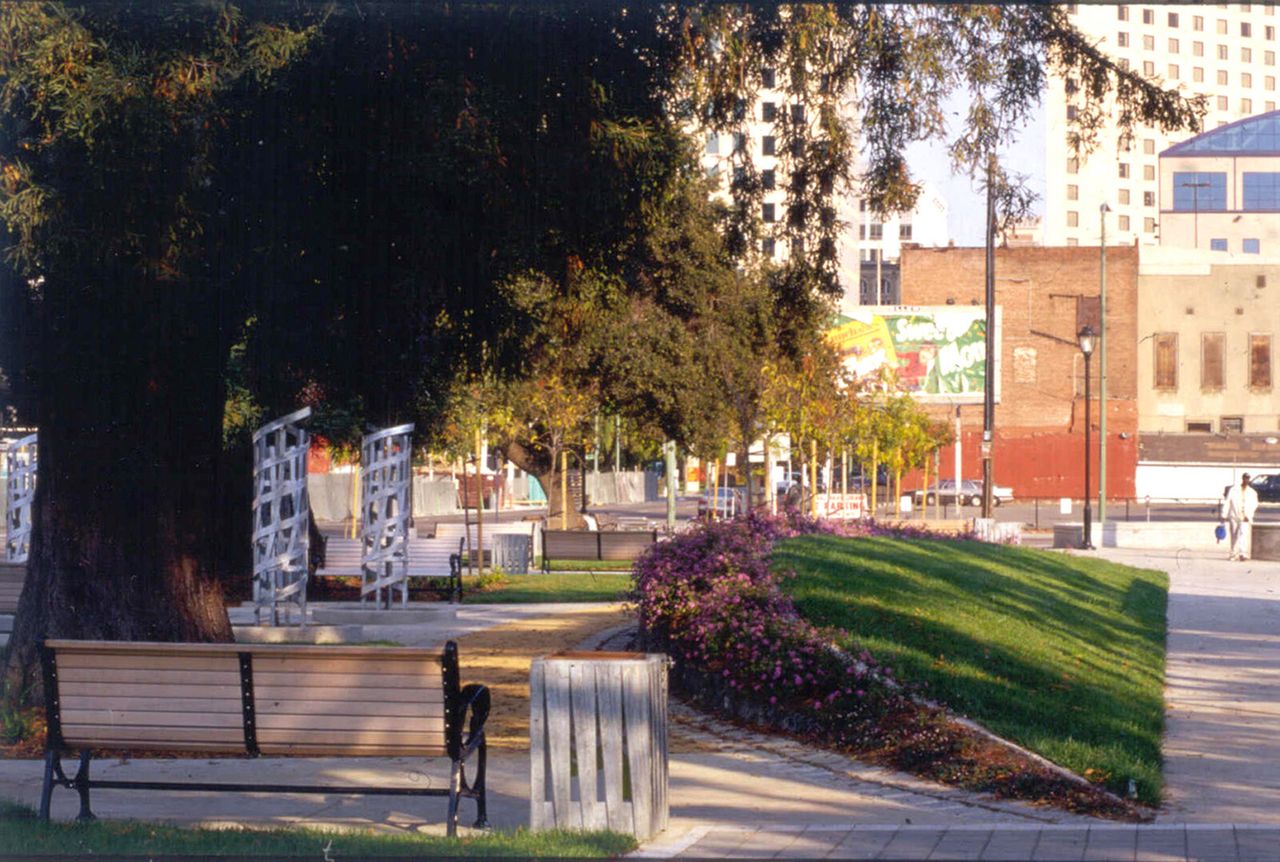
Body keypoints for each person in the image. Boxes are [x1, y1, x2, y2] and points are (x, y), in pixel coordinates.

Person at [1222, 473, 1261, 561]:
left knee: (1244, 535)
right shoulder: (1234, 490)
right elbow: (1228, 502)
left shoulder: (1252, 492)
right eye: (1245, 478)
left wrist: (1249, 515)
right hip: (1234, 515)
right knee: (1234, 535)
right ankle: (1233, 554)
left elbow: (1254, 505)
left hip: (1245, 517)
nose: (1246, 480)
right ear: (1242, 478)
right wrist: (1224, 514)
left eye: (1248, 478)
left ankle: (1243, 554)